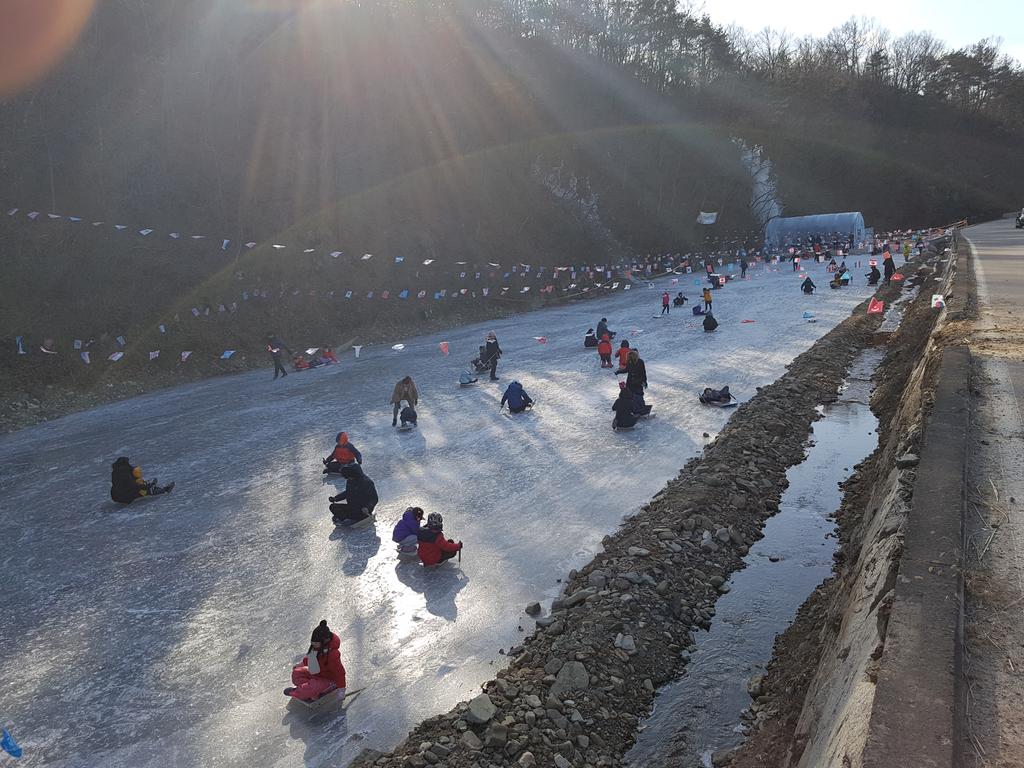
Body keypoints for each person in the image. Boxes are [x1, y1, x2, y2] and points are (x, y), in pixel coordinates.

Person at [284, 620, 346, 702]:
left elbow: (339, 673)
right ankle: (310, 691)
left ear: (325, 641)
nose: (313, 645)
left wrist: (341, 690)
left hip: (330, 681)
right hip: (318, 675)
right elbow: (311, 660)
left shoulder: (332, 655)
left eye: (315, 643)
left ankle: (301, 692)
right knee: (297, 673)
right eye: (312, 642)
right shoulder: (317, 647)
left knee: (314, 686)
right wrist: (301, 664)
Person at [110, 457, 174, 504]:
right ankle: (164, 490)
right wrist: (145, 487)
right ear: (125, 463)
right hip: (124, 497)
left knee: (139, 483)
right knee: (144, 491)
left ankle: (149, 485)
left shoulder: (115, 472)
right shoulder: (124, 473)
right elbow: (133, 485)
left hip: (115, 495)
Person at [625, 349, 651, 414]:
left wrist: (645, 382)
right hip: (634, 383)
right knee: (637, 396)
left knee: (636, 396)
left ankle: (638, 409)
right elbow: (643, 373)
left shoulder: (637, 362)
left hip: (634, 383)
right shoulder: (634, 362)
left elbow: (642, 373)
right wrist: (645, 382)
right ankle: (639, 409)